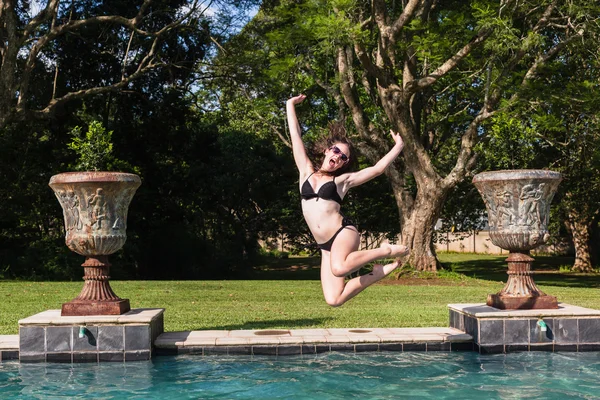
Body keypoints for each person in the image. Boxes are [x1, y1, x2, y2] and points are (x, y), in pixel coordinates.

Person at [286, 94, 409, 307]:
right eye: (336, 151)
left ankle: (387, 250)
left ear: (343, 164)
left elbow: (377, 169)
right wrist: (289, 105)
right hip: (325, 246)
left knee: (339, 268)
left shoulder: (342, 181)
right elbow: (296, 136)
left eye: (343, 157)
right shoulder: (305, 171)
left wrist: (398, 146)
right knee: (334, 299)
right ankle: (377, 273)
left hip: (343, 233)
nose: (338, 157)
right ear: (327, 151)